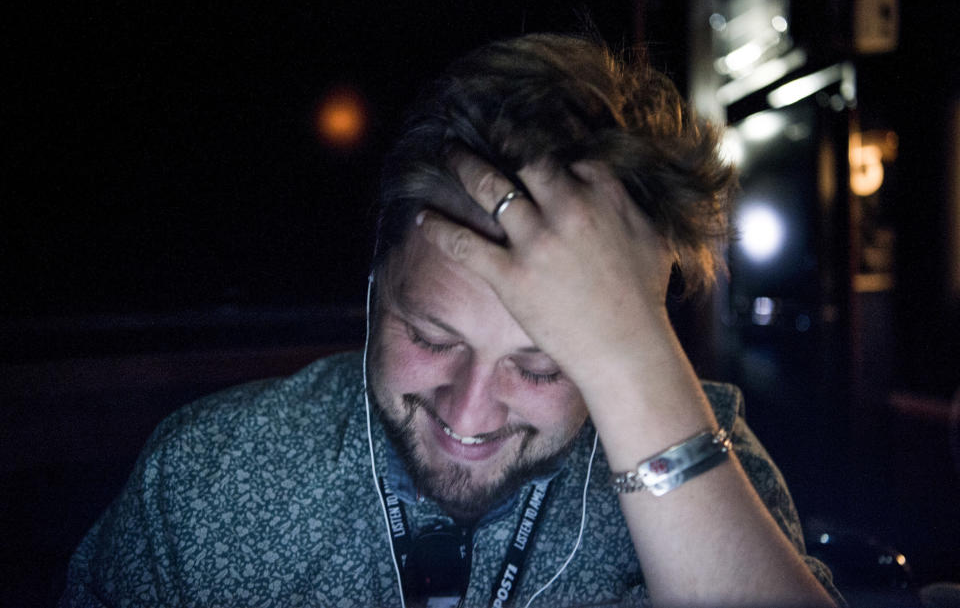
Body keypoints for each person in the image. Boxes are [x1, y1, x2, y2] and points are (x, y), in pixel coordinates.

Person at [61, 33, 843, 607]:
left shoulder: (718, 465)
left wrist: (633, 354)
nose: (468, 415)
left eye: (543, 364)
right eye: (431, 337)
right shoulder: (205, 479)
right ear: (377, 278)